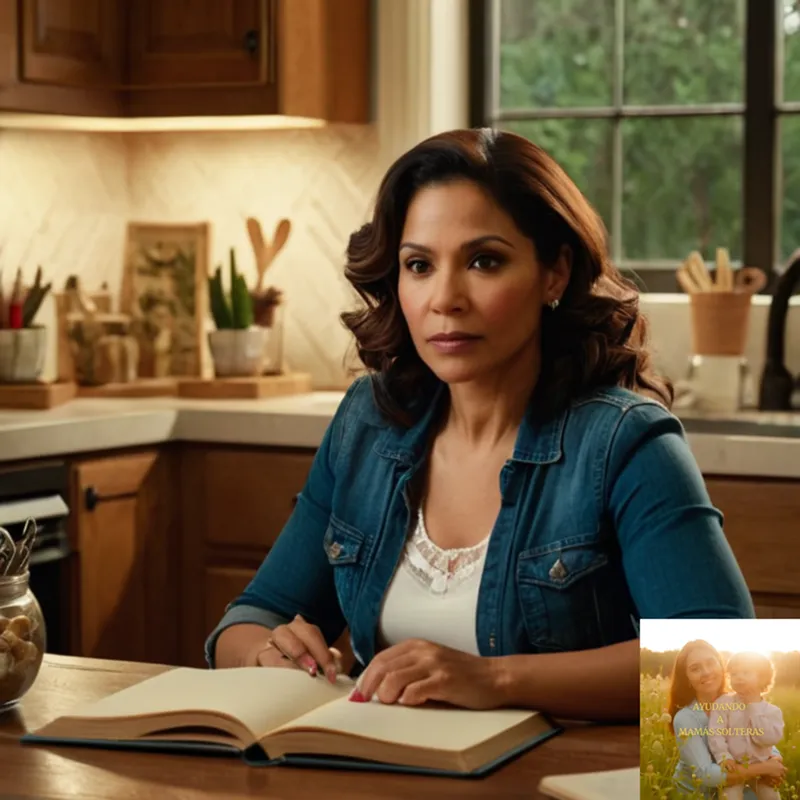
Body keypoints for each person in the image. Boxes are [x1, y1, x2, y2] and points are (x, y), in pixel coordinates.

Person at [206, 128, 755, 721]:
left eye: (484, 261)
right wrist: (268, 656)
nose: (445, 298)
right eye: (419, 265)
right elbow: (250, 617)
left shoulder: (626, 443)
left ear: (555, 274)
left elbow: (722, 665)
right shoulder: (366, 424)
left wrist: (494, 678)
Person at [669, 640, 786, 798]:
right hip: (699, 793)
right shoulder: (685, 718)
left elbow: (757, 737)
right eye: (695, 669)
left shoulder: (741, 701)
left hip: (741, 782)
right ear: (687, 678)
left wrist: (775, 758)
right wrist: (765, 768)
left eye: (711, 663)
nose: (706, 672)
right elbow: (706, 775)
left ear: (721, 666)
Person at [707, 651, 785, 800]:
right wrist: (724, 757)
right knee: (729, 797)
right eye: (734, 674)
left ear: (762, 678)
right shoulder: (723, 704)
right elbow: (716, 733)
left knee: (772, 797)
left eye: (746, 672)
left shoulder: (772, 711)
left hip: (762, 770)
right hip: (734, 767)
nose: (739, 677)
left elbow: (767, 739)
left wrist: (753, 707)